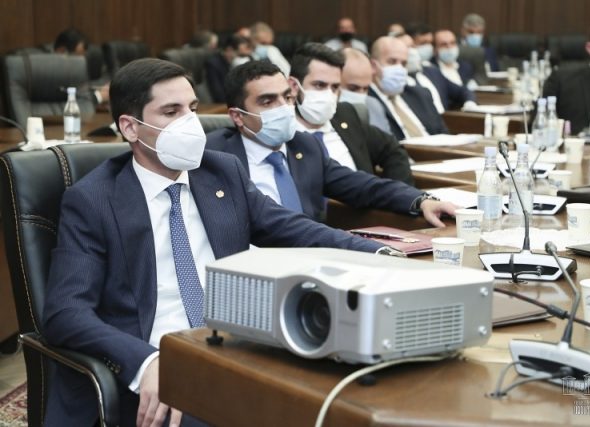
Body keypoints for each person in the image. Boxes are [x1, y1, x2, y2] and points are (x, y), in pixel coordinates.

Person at [42, 58, 387, 426]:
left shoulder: (221, 172)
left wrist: (383, 253)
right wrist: (146, 362)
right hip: (152, 364)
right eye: (171, 112)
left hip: (236, 352)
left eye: (192, 108)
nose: (189, 122)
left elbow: (299, 230)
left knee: (342, 403)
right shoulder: (94, 199)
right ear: (130, 127)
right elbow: (66, 312)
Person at [205, 60, 457, 224]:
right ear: (237, 116)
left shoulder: (305, 146)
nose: (284, 108)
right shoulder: (214, 155)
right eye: (268, 101)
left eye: (287, 97)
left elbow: (366, 186)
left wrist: (421, 201)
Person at [289, 43, 413, 184]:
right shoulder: (282, 131)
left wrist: (397, 193)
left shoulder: (345, 114)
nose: (328, 94)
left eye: (335, 87)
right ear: (294, 86)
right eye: (319, 85)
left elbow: (392, 149)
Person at [368, 36, 449, 141]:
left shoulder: (421, 95)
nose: (399, 68)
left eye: (403, 64)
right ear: (373, 66)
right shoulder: (367, 103)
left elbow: (444, 134)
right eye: (392, 62)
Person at [340, 47, 393, 133]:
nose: (361, 94)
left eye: (366, 88)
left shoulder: (374, 106)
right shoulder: (323, 112)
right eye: (353, 88)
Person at [54, 28, 110, 103]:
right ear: (61, 51)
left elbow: (81, 88)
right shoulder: (49, 73)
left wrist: (98, 88)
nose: (81, 63)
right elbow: (68, 100)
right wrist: (99, 96)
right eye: (77, 58)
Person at [205, 34, 253, 102]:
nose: (242, 58)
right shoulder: (213, 65)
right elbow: (218, 94)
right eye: (240, 55)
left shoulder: (247, 59)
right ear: (229, 50)